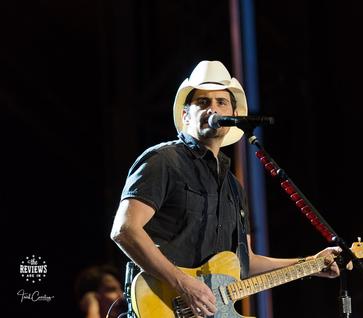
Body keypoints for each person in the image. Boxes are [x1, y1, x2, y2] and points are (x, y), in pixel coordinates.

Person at [110, 60, 346, 317]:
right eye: (203, 102)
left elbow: (246, 263)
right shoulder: (163, 160)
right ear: (186, 115)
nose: (213, 108)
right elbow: (124, 230)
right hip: (160, 305)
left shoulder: (234, 187)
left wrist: (311, 264)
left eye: (221, 102)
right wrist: (182, 283)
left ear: (233, 116)